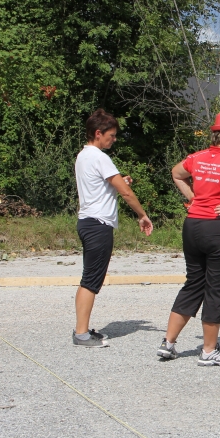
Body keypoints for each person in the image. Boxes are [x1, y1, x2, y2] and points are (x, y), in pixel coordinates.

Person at [156, 112, 220, 366]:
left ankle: (168, 343)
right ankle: (209, 350)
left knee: (193, 283)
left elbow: (176, 173)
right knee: (217, 288)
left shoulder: (197, 157)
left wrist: (193, 197)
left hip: (193, 226)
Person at [73, 109, 153, 348]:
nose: (114, 139)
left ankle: (83, 329)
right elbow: (126, 193)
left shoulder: (82, 156)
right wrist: (142, 215)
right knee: (91, 280)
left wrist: (120, 181)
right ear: (98, 133)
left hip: (87, 221)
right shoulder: (100, 157)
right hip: (98, 224)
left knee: (89, 277)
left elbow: (109, 185)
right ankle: (81, 334)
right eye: (111, 135)